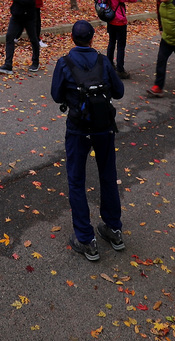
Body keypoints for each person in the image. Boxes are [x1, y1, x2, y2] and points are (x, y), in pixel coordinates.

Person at [50, 20, 124, 262]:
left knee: (76, 180)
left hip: (78, 129)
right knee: (107, 176)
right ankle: (113, 229)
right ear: (93, 38)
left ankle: (85, 238)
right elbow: (119, 91)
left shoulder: (64, 63)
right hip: (104, 127)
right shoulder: (103, 61)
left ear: (72, 38)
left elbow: (56, 95)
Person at [97, 0, 141, 79]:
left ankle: (110, 64)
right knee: (121, 46)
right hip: (120, 23)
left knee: (111, 42)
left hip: (110, 20)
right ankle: (120, 70)